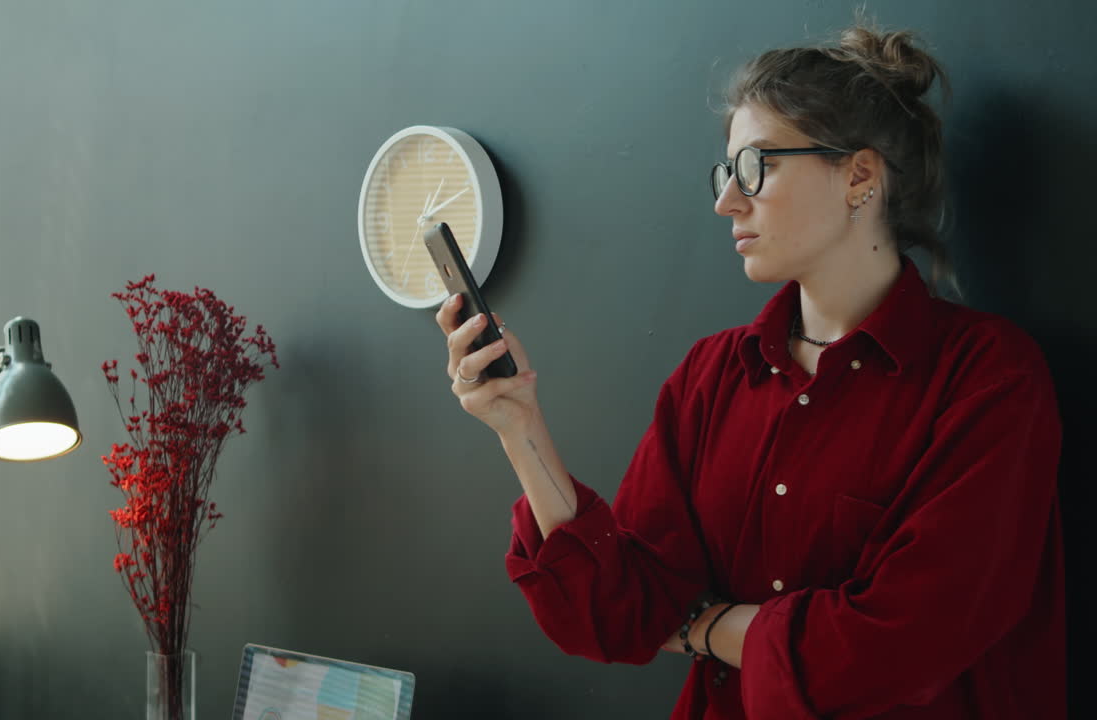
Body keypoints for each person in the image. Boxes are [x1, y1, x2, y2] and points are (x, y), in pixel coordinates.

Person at [434, 21, 1066, 720]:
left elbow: (899, 644)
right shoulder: (712, 376)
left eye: (757, 166)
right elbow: (622, 610)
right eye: (726, 171)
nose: (726, 201)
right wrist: (518, 422)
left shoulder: (987, 378)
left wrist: (706, 627)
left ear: (859, 175)